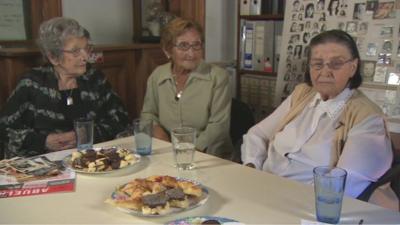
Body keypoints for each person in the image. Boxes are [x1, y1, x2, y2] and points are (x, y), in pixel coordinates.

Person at [241, 30, 393, 199]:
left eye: (336, 64)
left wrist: (281, 196)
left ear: (353, 67)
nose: (325, 72)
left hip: (305, 205)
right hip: (261, 188)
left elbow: (342, 185)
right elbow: (257, 134)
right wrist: (251, 167)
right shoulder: (302, 94)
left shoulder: (368, 117)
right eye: (318, 64)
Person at [0, 17, 129, 158]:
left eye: (87, 48)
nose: (85, 56)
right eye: (75, 51)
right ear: (53, 57)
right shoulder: (32, 84)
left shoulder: (94, 79)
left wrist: (85, 135)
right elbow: (5, 129)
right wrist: (44, 141)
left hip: (90, 160)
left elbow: (120, 119)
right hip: (44, 165)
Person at [141, 17, 233, 159]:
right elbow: (148, 116)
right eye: (183, 46)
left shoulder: (218, 77)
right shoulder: (157, 75)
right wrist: (166, 147)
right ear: (168, 50)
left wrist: (186, 153)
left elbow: (218, 126)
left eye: (196, 45)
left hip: (209, 156)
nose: (191, 53)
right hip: (167, 154)